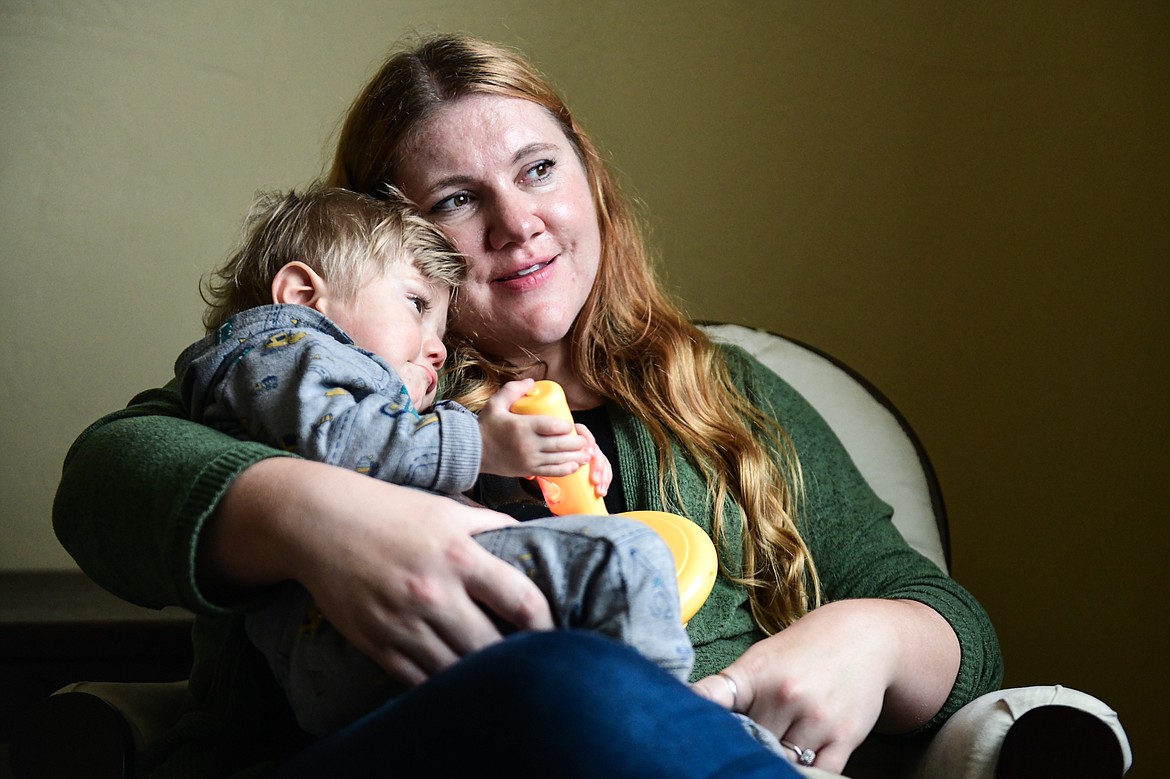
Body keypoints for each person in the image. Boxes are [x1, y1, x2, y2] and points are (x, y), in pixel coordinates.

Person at [54, 33, 1002, 778]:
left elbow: (955, 623)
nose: (517, 223)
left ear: (587, 175)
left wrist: (868, 637)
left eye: (539, 169)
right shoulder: (326, 381)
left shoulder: (727, 393)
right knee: (565, 675)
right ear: (397, 240)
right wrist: (322, 518)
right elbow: (104, 477)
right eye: (459, 200)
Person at [173, 184, 694, 738]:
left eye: (441, 327)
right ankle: (685, 731)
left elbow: (403, 461)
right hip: (363, 644)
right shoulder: (280, 354)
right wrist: (481, 444)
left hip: (400, 651)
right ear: (302, 296)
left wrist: (524, 470)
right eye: (416, 305)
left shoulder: (324, 391)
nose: (437, 347)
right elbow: (342, 443)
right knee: (624, 558)